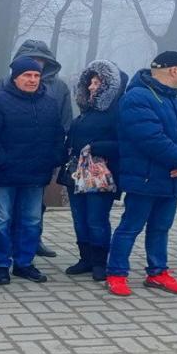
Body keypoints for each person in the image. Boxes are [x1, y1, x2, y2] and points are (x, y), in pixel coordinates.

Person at [105, 52, 177, 296]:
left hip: (172, 179)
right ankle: (116, 273)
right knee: (130, 227)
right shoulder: (137, 98)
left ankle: (157, 272)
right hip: (144, 178)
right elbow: (150, 139)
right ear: (172, 70)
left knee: (161, 228)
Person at [0, 57, 66, 285]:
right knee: (2, 219)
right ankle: (1, 264)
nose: (32, 80)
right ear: (15, 77)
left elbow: (58, 134)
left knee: (31, 220)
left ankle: (24, 263)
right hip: (5, 173)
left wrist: (54, 158)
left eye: (36, 76)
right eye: (27, 75)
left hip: (36, 173)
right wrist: (0, 160)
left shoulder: (49, 103)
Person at [0, 40, 74, 258]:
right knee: (5, 212)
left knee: (35, 209)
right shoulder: (3, 84)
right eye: (30, 60)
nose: (35, 65)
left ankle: (33, 242)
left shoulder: (59, 87)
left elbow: (64, 123)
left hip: (40, 159)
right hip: (10, 160)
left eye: (40, 60)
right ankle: (6, 249)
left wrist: (56, 155)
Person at [58, 60, 127, 282]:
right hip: (76, 174)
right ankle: (85, 258)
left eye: (97, 83)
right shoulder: (85, 111)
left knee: (96, 219)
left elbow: (125, 144)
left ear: (108, 86)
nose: (91, 87)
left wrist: (96, 147)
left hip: (100, 175)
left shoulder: (117, 112)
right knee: (79, 219)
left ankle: (99, 261)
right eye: (90, 82)